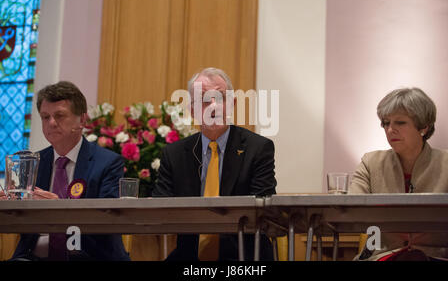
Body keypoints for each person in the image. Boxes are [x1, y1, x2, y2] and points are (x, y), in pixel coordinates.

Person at [152, 67, 277, 260]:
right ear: (192, 110)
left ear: (233, 104)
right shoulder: (174, 154)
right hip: (189, 256)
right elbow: (160, 210)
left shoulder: (258, 149)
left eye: (219, 98)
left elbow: (263, 211)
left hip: (245, 255)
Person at [0, 81, 130, 261]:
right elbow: (19, 223)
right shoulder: (31, 163)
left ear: (82, 120)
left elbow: (108, 220)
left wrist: (61, 209)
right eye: (45, 117)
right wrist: (8, 207)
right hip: (32, 257)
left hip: (89, 256)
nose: (51, 123)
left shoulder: (107, 163)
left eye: (59, 115)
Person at [350, 87, 448, 260]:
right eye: (386, 123)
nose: (390, 130)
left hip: (435, 256)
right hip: (383, 255)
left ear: (424, 127)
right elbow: (350, 209)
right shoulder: (370, 162)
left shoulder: (447, 163)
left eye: (400, 122)